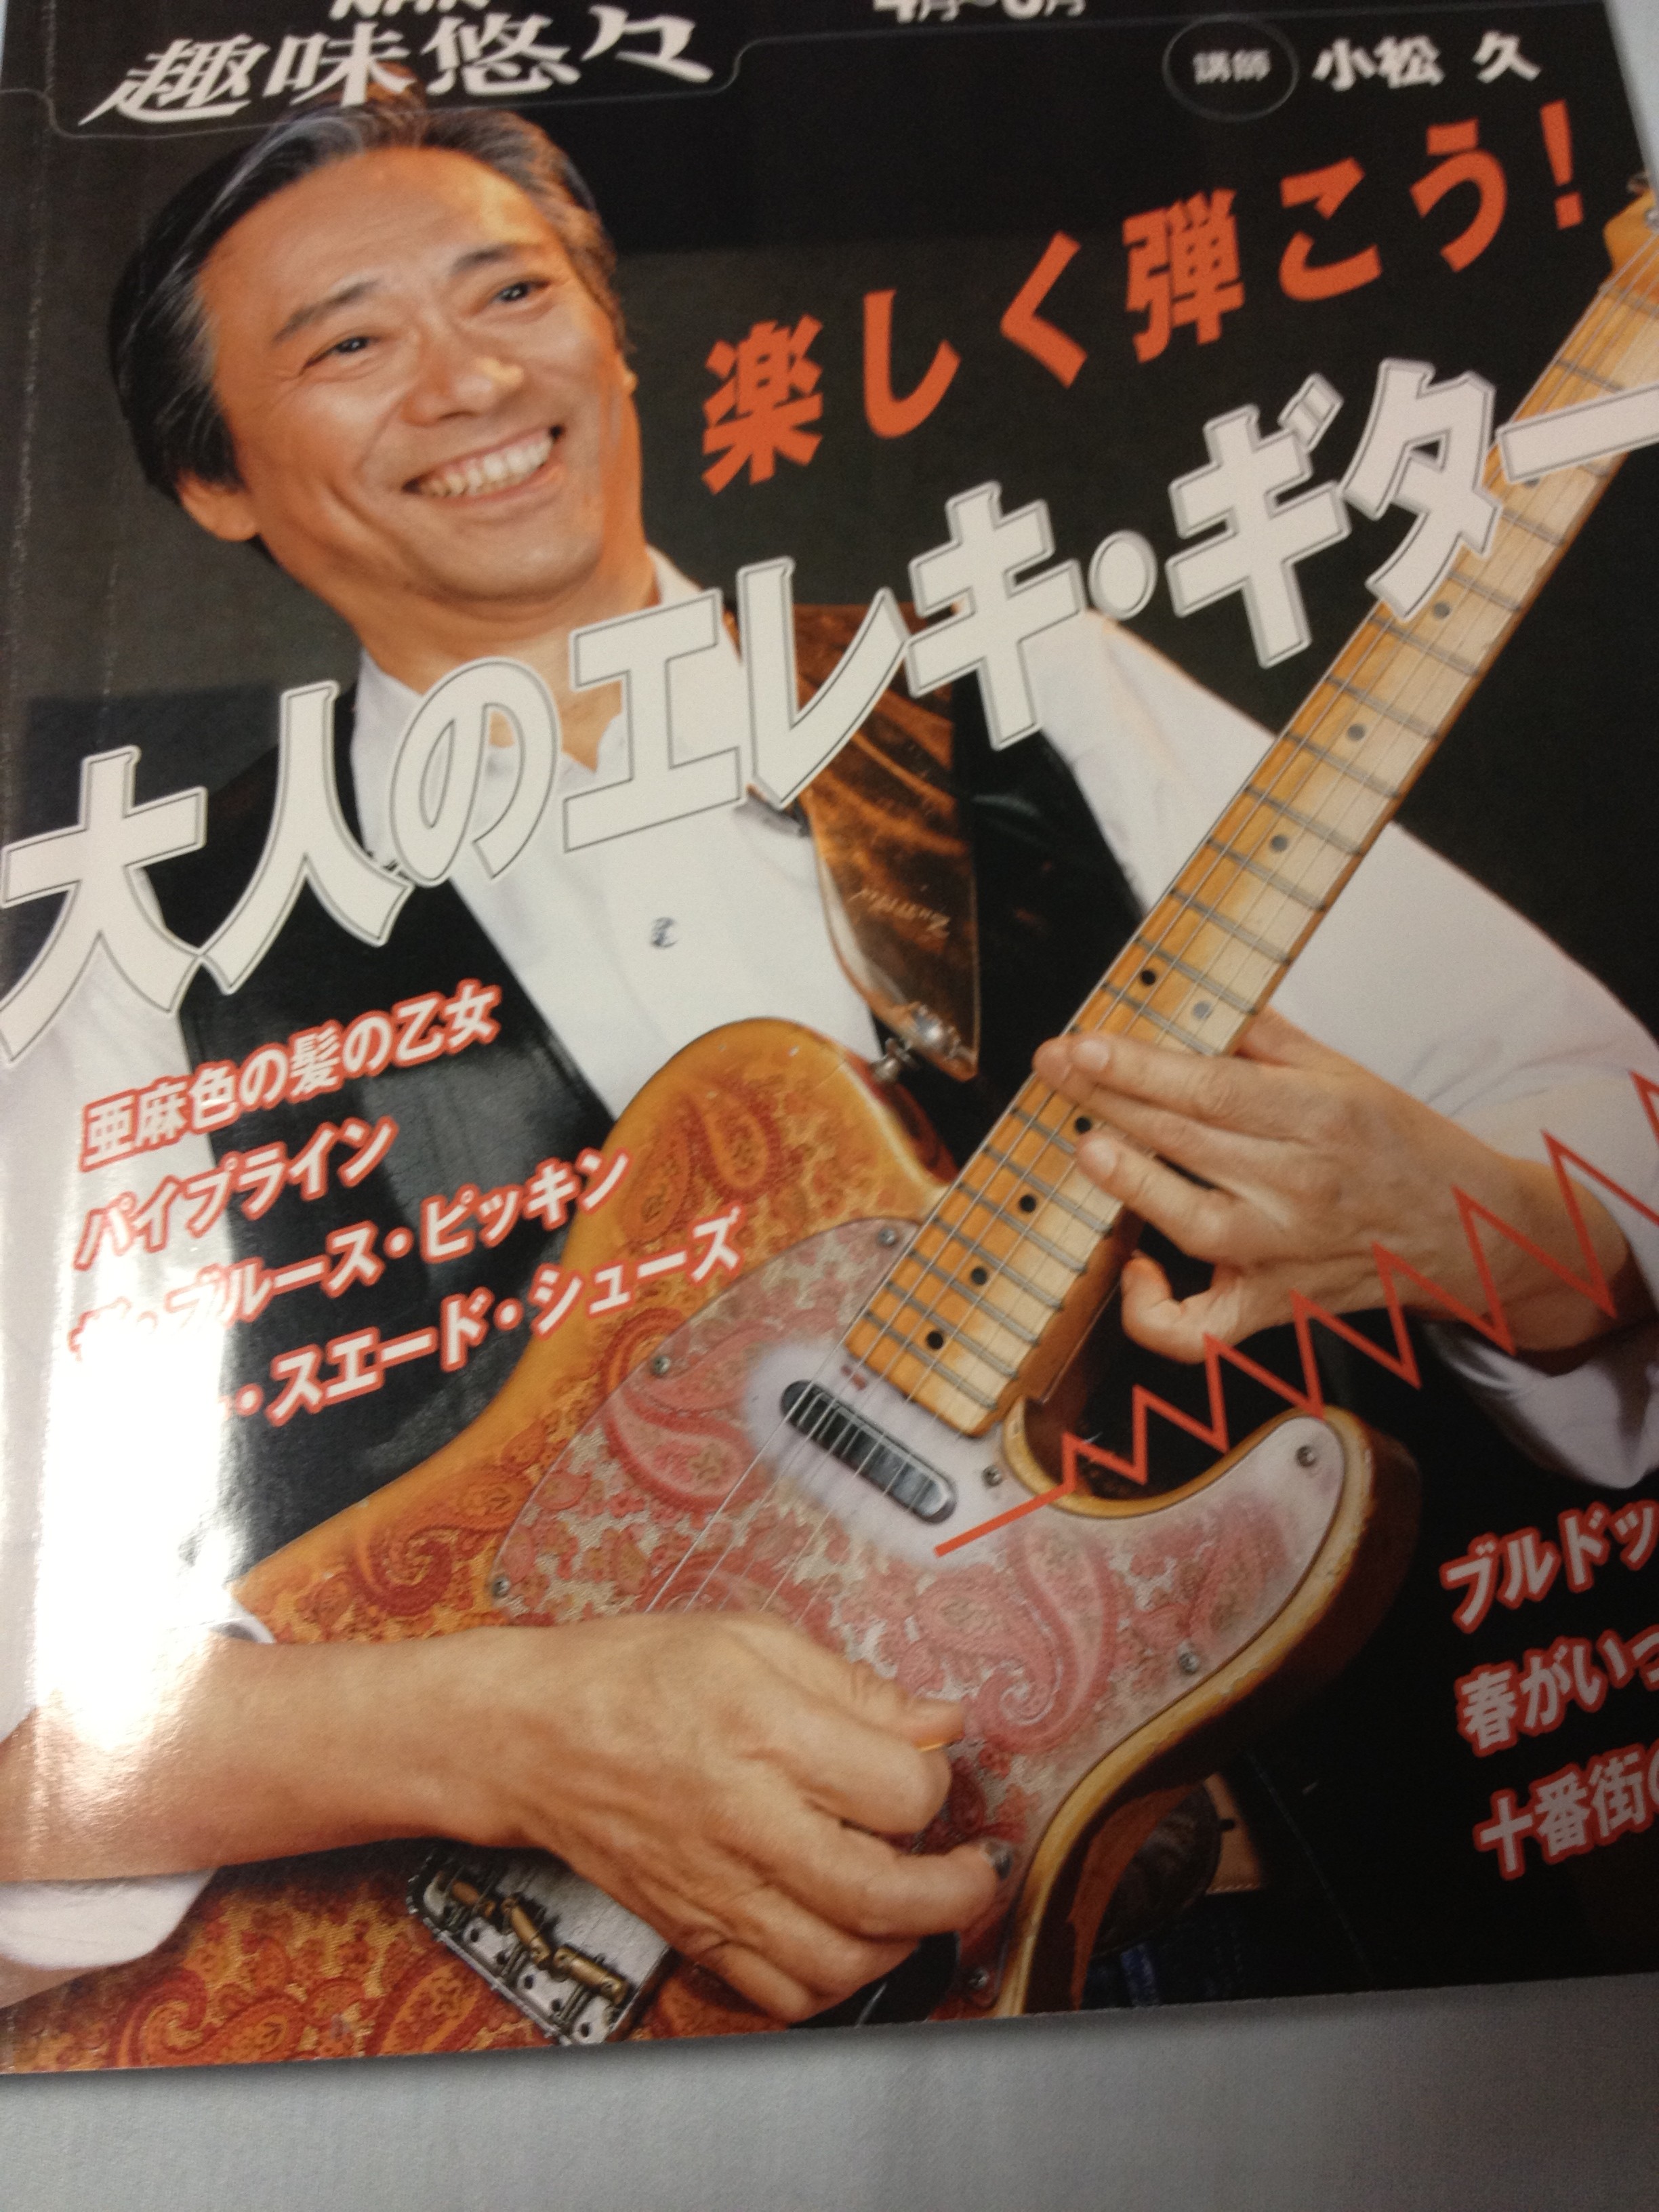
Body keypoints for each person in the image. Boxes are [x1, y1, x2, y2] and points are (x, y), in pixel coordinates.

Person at [2, 100, 1657, 2024]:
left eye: (514, 295)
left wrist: (1471, 1226)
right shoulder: (160, 953)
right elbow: (34, 1697)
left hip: (1258, 1957)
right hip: (570, 2040)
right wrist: (507, 1731)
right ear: (215, 479)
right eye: (350, 342)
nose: (470, 382)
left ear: (614, 340)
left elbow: (1608, 1141)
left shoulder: (1017, 685)